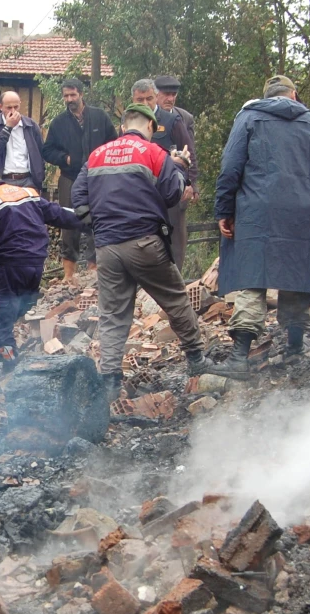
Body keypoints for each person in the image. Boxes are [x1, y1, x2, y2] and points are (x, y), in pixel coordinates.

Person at [71, 104, 213, 399]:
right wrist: (180, 167)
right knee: (175, 300)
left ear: (123, 127)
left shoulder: (96, 155)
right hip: (145, 243)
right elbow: (173, 194)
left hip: (107, 248)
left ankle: (110, 381)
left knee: (112, 315)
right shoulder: (154, 153)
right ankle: (197, 360)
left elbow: (78, 198)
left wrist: (98, 227)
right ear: (150, 127)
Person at [211, 75, 310, 377]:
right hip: (303, 211)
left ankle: (240, 358)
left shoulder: (250, 117)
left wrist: (224, 209)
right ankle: (294, 350)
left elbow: (230, 167)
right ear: (294, 95)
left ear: (266, 96)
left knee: (253, 279)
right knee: (297, 276)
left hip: (258, 211)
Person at [0, 160, 82, 371]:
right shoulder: (28, 193)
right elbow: (59, 215)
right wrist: (92, 219)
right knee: (15, 308)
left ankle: (7, 363)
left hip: (9, 266)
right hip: (36, 265)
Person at [42, 78, 117, 282]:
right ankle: (69, 274)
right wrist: (65, 158)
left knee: (98, 220)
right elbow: (47, 150)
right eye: (66, 96)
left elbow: (113, 142)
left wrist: (105, 162)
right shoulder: (58, 123)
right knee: (69, 222)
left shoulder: (99, 117)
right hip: (70, 178)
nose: (69, 99)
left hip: (98, 178)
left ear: (81, 94)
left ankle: (94, 270)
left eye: (73, 95)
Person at [132, 78, 197, 265]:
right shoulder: (129, 121)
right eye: (140, 100)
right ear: (133, 100)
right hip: (140, 190)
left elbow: (189, 152)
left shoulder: (172, 121)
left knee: (174, 237)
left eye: (149, 99)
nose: (145, 104)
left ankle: (175, 280)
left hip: (170, 186)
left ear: (155, 97)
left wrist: (190, 183)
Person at [0, 91, 46, 191]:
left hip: (28, 181)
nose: (13, 111)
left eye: (16, 107)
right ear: (0, 107)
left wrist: (39, 176)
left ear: (20, 104)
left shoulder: (30, 125)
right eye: (9, 107)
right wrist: (8, 128)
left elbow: (41, 152)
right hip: (4, 180)